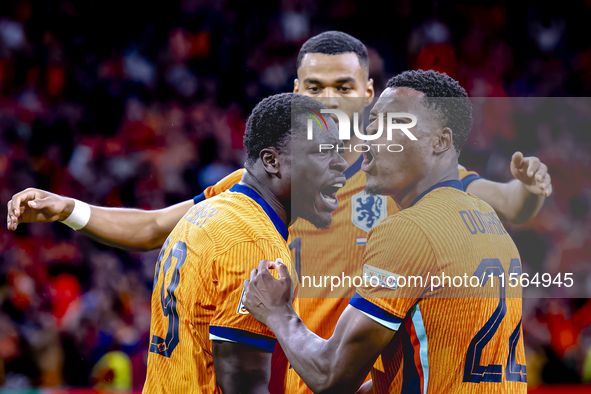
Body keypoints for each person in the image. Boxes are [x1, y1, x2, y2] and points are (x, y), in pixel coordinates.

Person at [7, 31, 546, 393]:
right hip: (300, 379)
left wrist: (528, 192)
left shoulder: (405, 178)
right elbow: (153, 225)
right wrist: (71, 209)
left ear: (368, 92)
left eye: (342, 87)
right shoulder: (270, 182)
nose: (329, 98)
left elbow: (499, 204)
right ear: (297, 93)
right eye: (315, 88)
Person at [243, 70, 527, 394]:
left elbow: (331, 375)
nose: (367, 141)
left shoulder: (410, 229)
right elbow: (437, 362)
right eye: (371, 126)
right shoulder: (487, 220)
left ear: (441, 141)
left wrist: (278, 312)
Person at [143, 93, 346, 393]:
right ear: (272, 161)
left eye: (339, 151)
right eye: (321, 152)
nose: (341, 163)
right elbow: (243, 386)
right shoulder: (253, 242)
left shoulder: (206, 210)